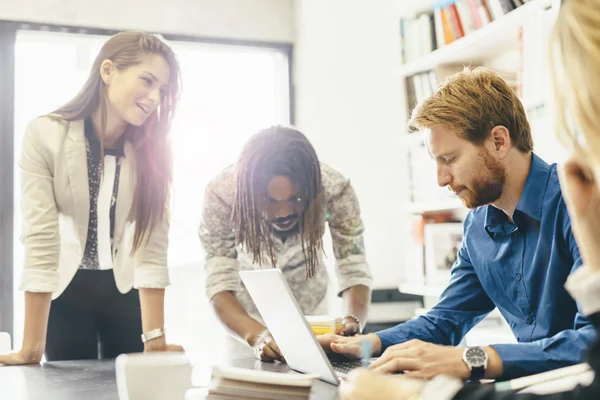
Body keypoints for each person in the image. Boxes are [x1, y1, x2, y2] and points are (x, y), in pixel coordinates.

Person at [340, 1, 600, 398]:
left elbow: (591, 342)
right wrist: (366, 345)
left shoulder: (579, 202)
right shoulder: (478, 226)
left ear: (498, 141)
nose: (442, 179)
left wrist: (472, 358)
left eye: (449, 160)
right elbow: (447, 318)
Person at [0, 31, 182, 365]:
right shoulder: (45, 134)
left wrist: (156, 339)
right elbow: (41, 238)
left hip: (125, 291)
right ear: (108, 71)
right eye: (147, 81)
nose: (156, 97)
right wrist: (30, 347)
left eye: (163, 89)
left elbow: (152, 245)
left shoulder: (155, 149)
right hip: (67, 291)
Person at [199, 126, 373, 361]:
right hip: (246, 323)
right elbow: (218, 282)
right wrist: (258, 336)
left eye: (295, 198)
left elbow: (353, 267)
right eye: (269, 200)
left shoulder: (334, 189)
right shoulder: (222, 194)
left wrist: (352, 322)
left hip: (312, 318)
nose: (282, 212)